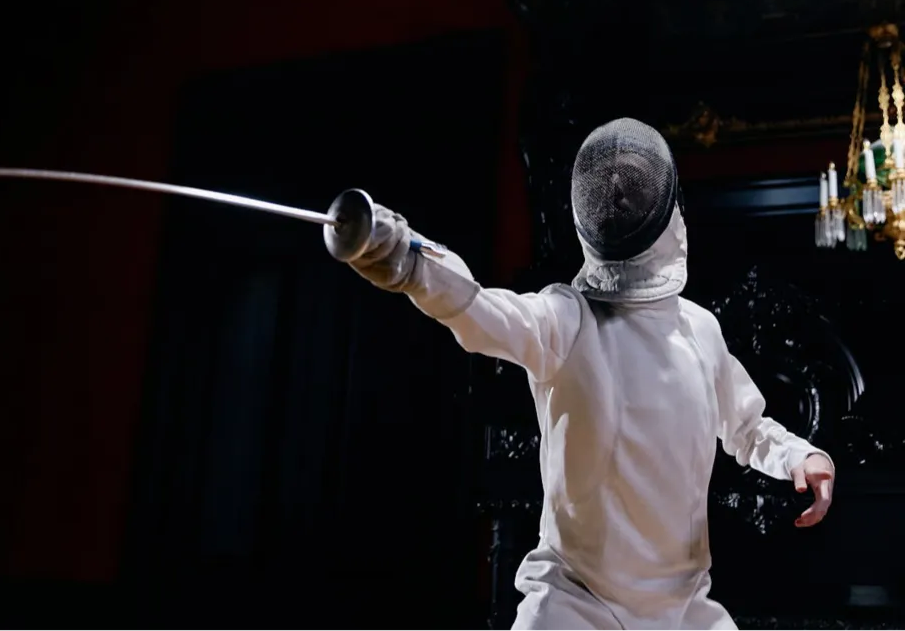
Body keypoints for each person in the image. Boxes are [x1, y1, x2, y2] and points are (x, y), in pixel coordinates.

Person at [345, 118, 835, 630]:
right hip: (576, 604)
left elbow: (747, 426)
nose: (621, 196)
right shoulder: (567, 319)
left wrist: (800, 456)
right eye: (615, 190)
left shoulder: (699, 329)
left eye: (632, 187)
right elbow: (481, 310)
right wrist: (412, 261)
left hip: (684, 607)